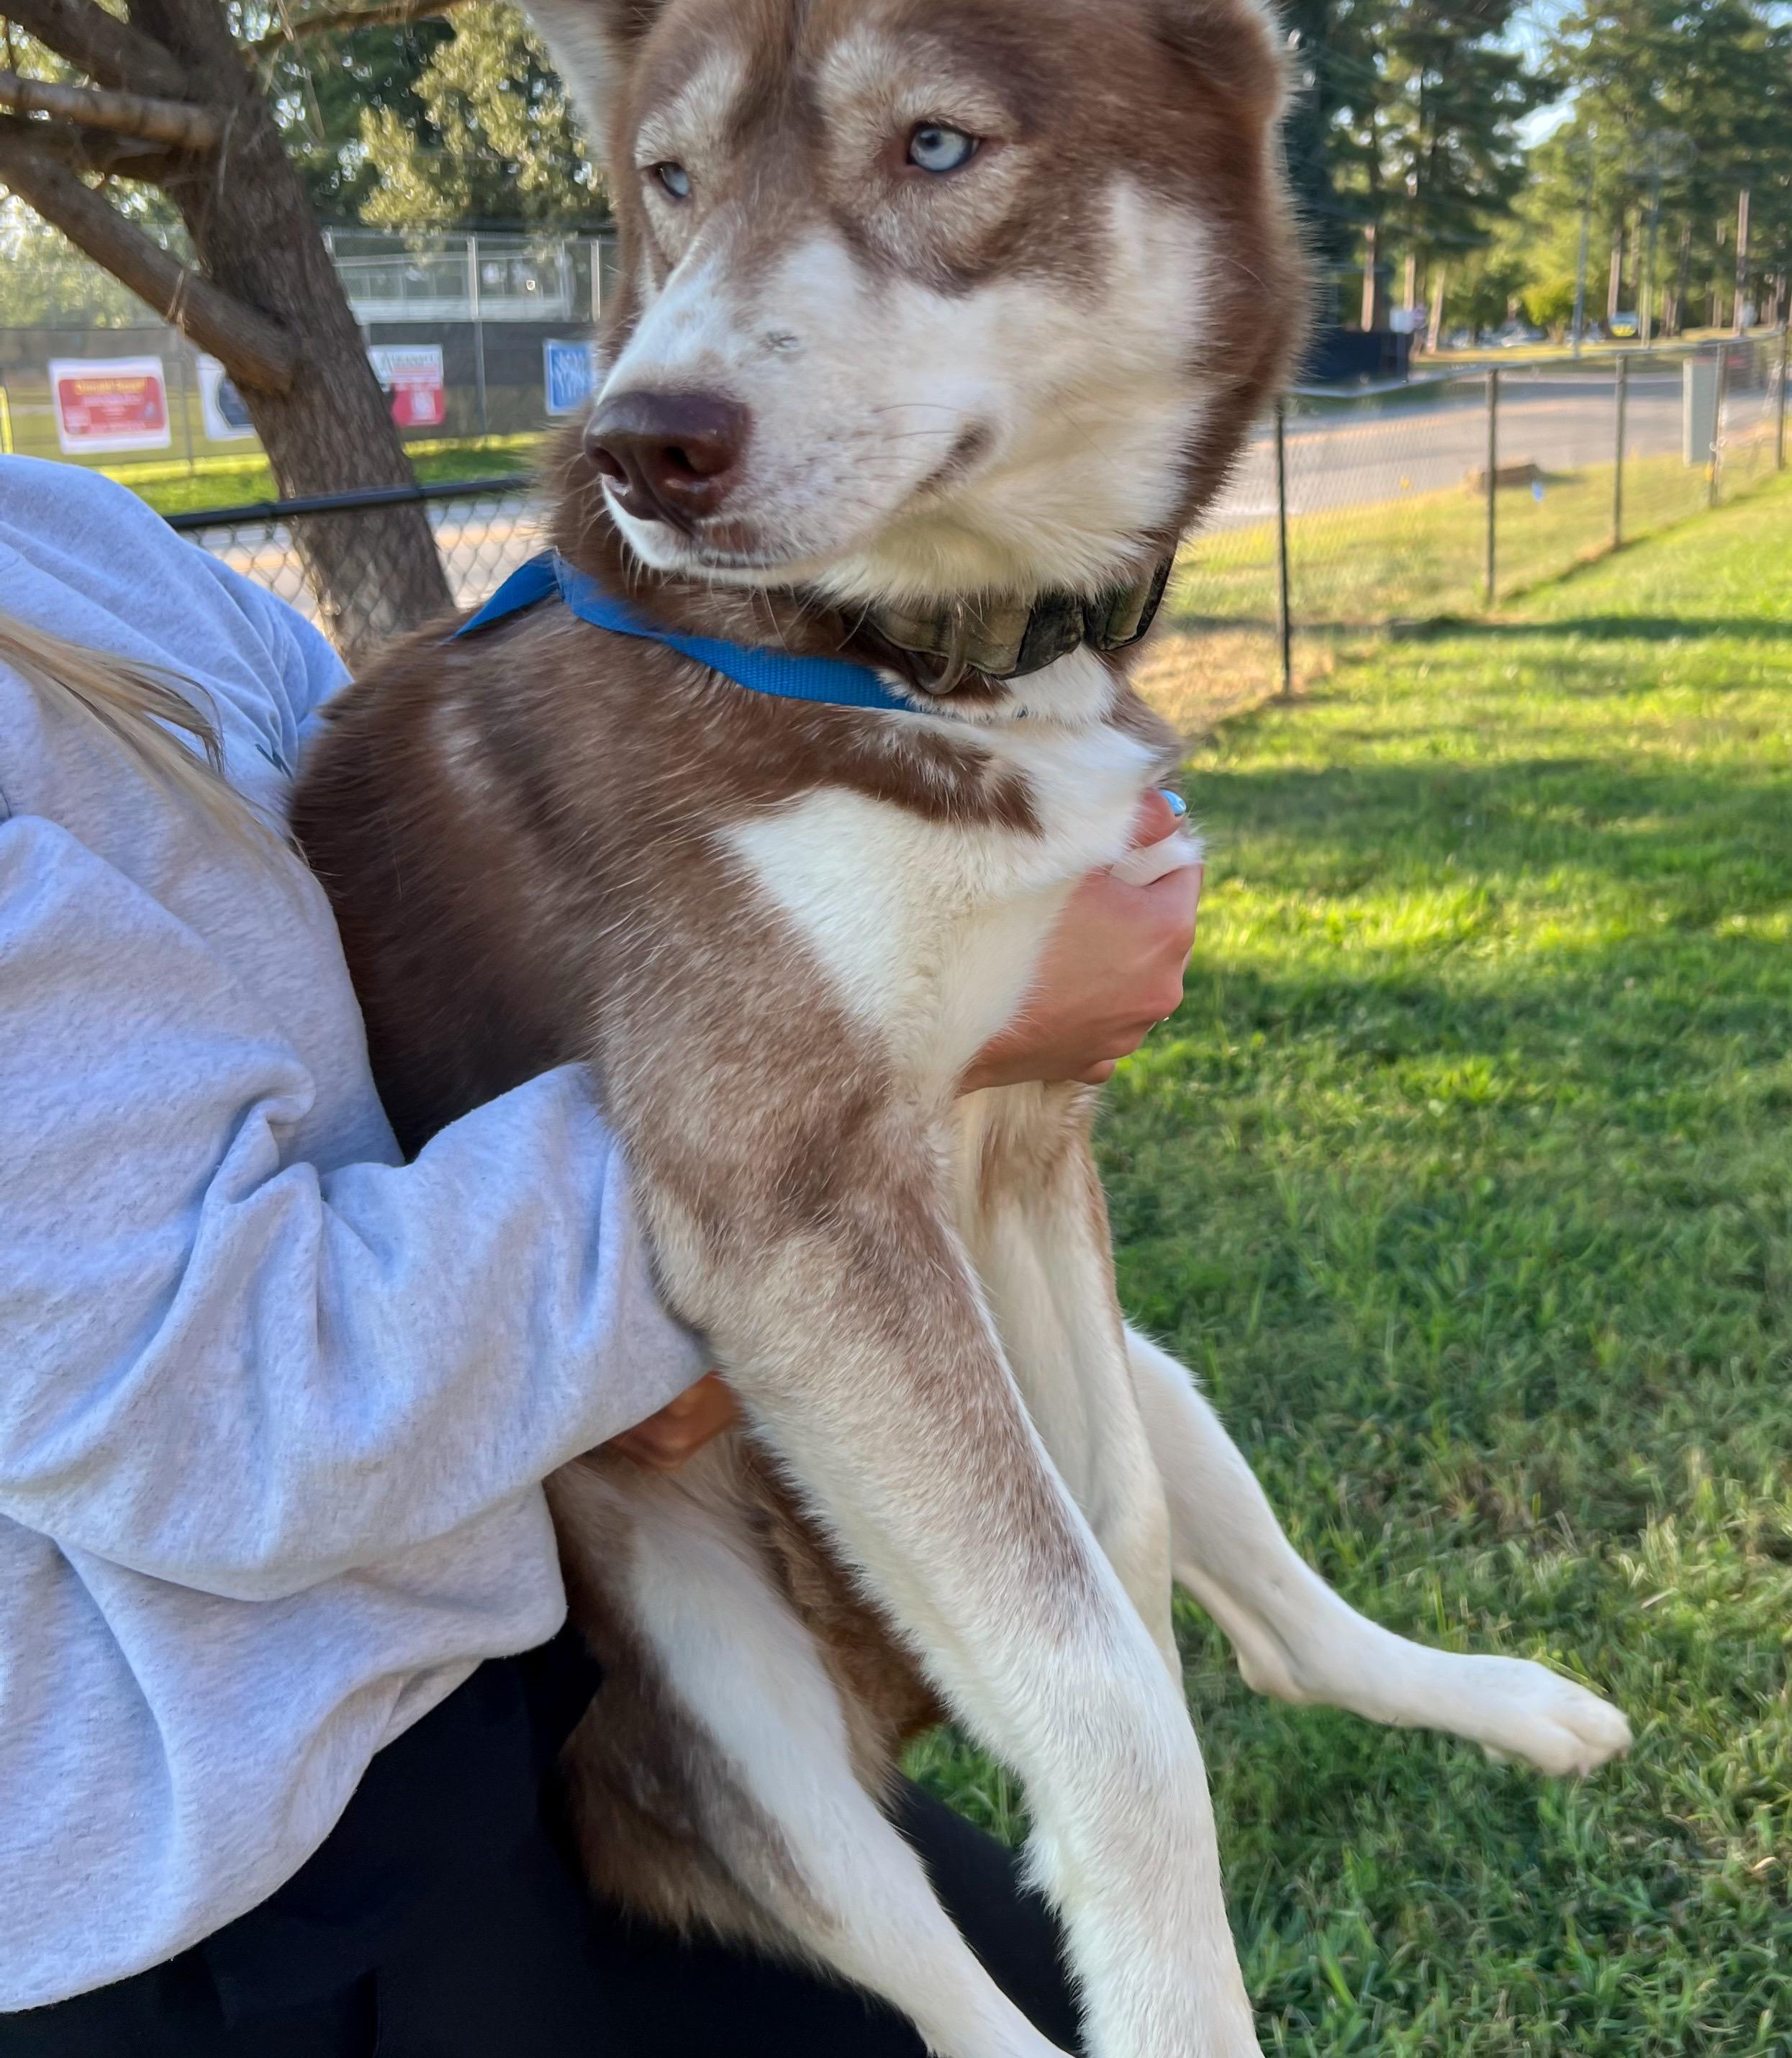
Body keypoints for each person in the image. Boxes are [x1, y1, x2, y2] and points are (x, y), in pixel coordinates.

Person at [0, 452, 1202, 2057]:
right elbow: (210, 1397)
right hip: (217, 1893)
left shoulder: (61, 530)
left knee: (1018, 1985)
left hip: (484, 1662)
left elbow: (389, 895)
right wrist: (890, 1039)